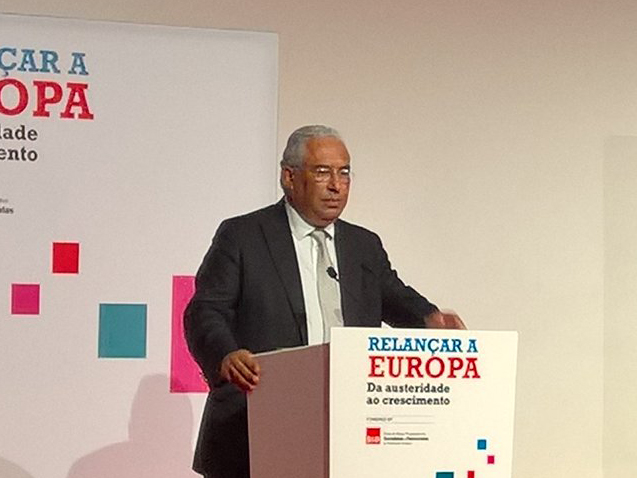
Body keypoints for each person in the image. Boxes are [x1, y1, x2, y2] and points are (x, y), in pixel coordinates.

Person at [184, 125, 465, 478]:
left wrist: (430, 318)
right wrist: (225, 355)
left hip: (345, 429)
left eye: (344, 173)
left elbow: (392, 294)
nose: (336, 185)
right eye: (322, 172)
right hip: (256, 426)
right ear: (289, 177)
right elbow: (206, 311)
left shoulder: (363, 245)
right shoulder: (243, 236)